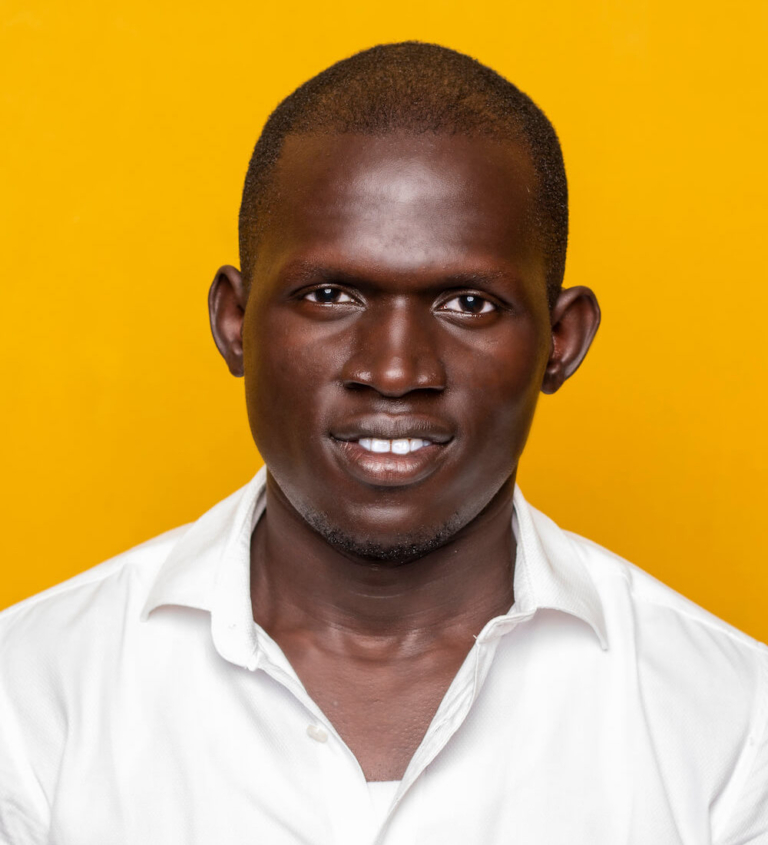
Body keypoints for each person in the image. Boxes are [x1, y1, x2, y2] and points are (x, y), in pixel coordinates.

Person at [1, 41, 766, 845]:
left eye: (467, 304)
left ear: (561, 341)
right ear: (234, 322)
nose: (396, 371)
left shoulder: (730, 728)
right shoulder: (30, 702)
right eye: (330, 294)